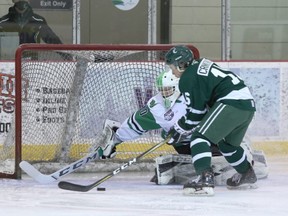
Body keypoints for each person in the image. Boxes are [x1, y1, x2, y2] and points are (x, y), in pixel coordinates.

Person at [101, 68, 266, 188]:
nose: (164, 93)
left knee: (217, 143)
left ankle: (240, 156)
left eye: (168, 89)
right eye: (162, 90)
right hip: (188, 145)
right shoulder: (156, 105)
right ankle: (201, 168)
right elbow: (135, 123)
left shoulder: (193, 97)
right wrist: (116, 139)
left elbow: (218, 118)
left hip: (210, 137)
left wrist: (183, 129)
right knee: (188, 145)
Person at [164, 45, 257, 196]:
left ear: (182, 65)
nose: (172, 72)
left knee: (199, 138)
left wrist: (179, 129)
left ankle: (204, 179)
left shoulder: (187, 78)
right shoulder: (200, 64)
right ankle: (247, 173)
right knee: (227, 146)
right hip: (247, 105)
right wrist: (181, 128)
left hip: (230, 102)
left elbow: (197, 113)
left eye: (172, 67)